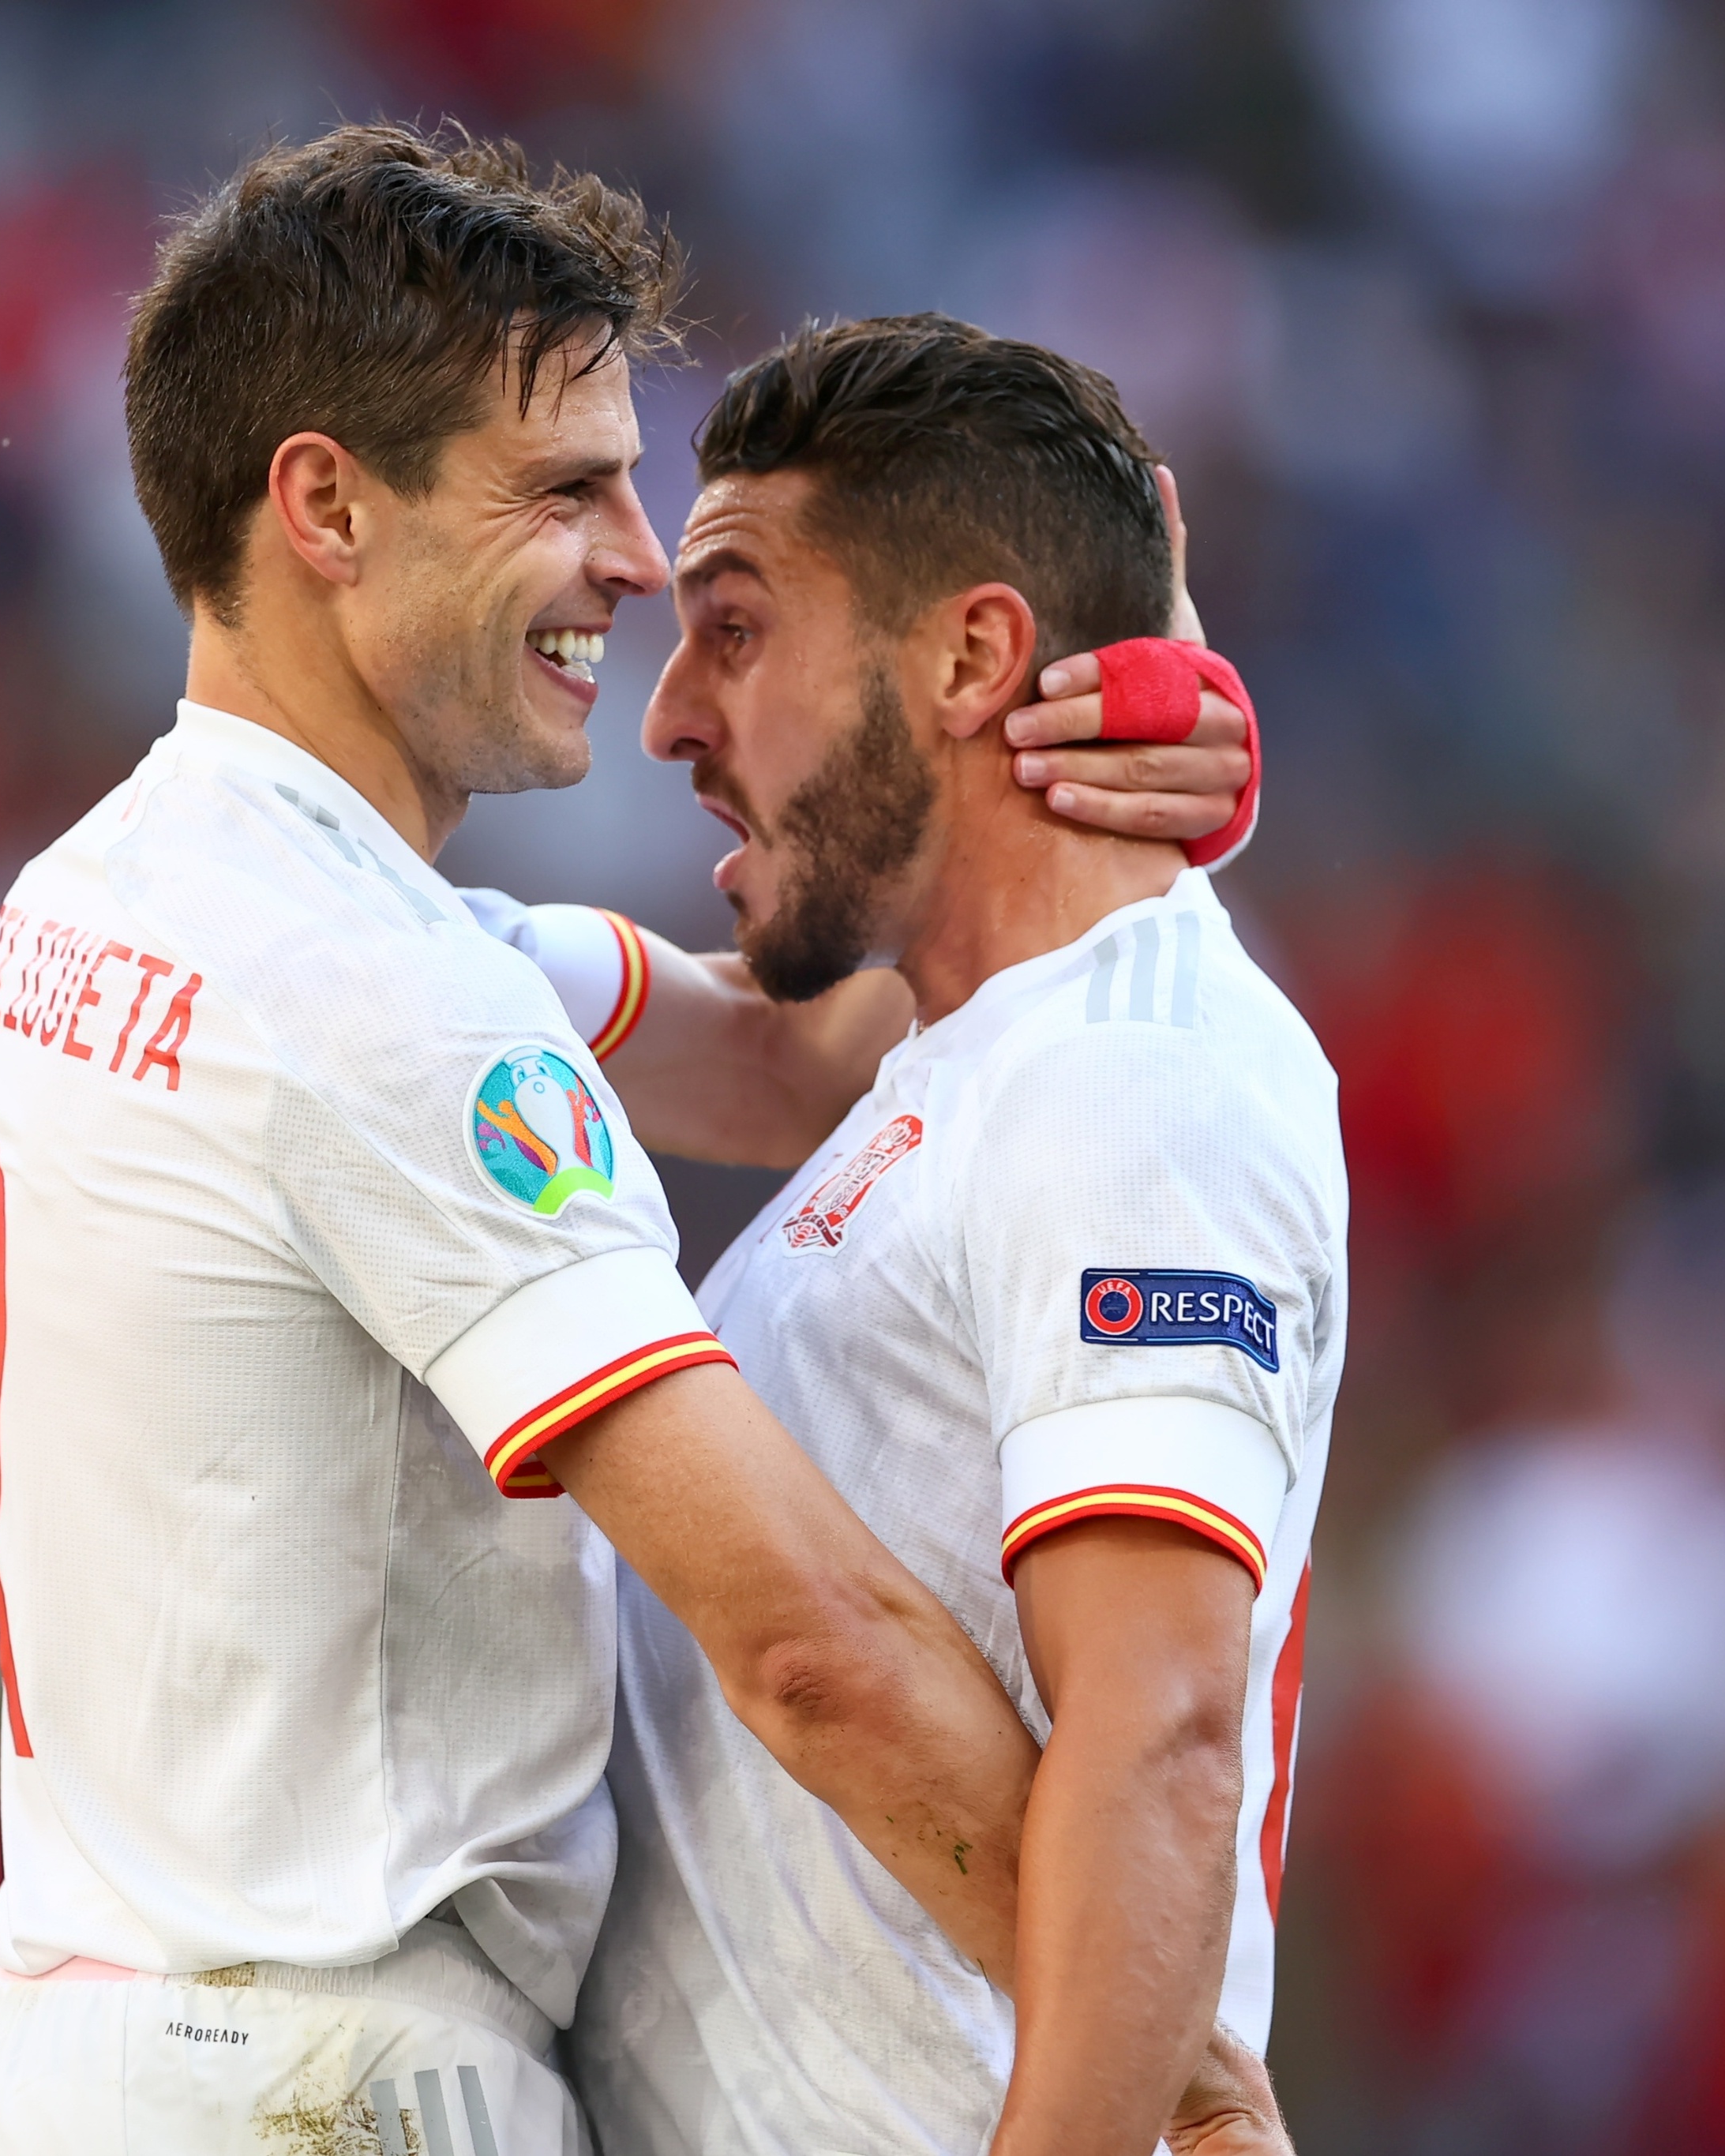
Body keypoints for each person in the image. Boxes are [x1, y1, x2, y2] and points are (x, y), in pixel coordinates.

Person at [0, 125, 1269, 2156]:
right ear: (325, 510)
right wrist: (1169, 2075)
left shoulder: (129, 898)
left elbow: (797, 1055)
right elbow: (807, 1640)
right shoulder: (372, 992)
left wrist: (1079, 754)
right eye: (565, 490)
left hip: (89, 2049)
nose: (638, 564)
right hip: (326, 2080)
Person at [524, 317, 1344, 2156]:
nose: (667, 713)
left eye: (733, 626)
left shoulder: (1130, 1080)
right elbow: (725, 1040)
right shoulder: (964, 1055)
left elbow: (1161, 1741)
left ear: (973, 653)